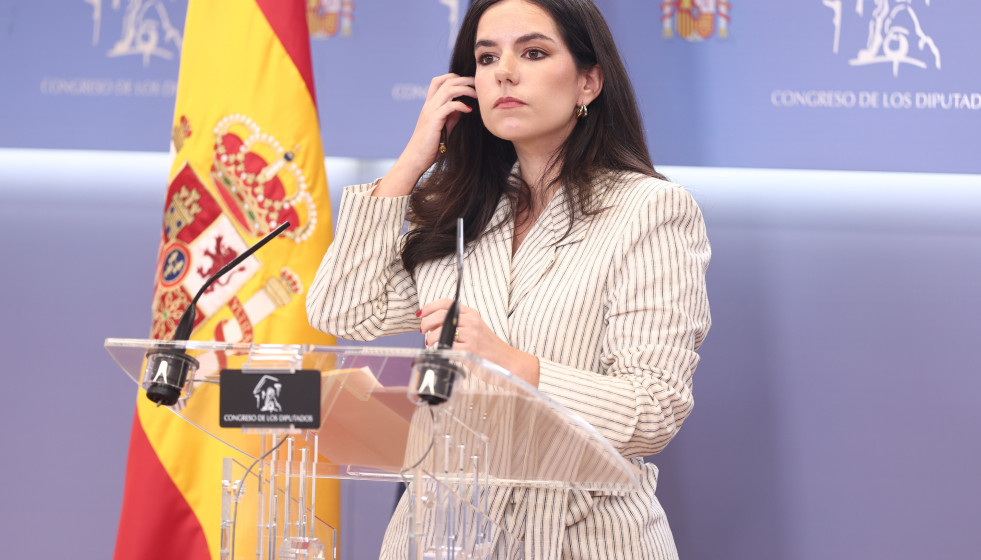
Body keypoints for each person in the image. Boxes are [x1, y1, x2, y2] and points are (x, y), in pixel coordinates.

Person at [307, 0, 711, 558]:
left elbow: (653, 410)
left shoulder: (650, 210)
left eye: (534, 52)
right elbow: (341, 311)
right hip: (440, 535)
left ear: (588, 82)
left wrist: (514, 366)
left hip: (583, 535)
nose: (504, 73)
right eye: (486, 57)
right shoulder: (457, 209)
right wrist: (411, 162)